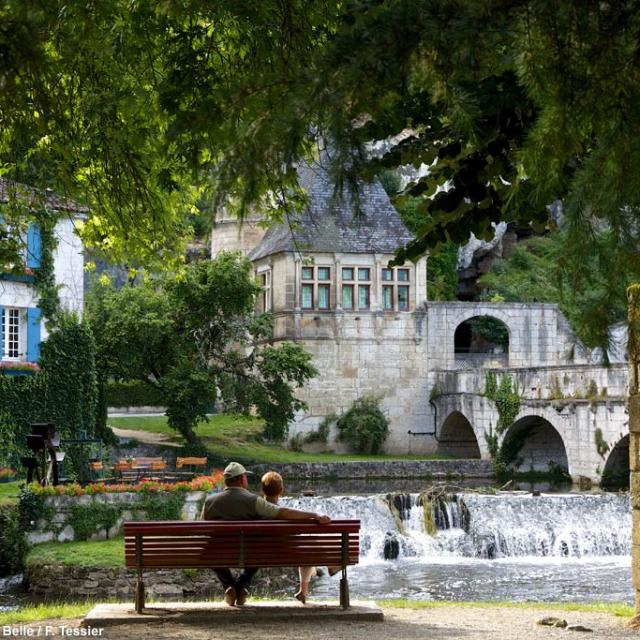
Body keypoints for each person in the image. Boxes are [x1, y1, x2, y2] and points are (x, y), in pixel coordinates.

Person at [201, 461, 331, 607]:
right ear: (241, 479)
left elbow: (204, 529)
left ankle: (230, 587)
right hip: (249, 552)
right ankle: (241, 585)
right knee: (258, 549)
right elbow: (282, 512)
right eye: (245, 477)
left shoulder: (210, 501)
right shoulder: (252, 500)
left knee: (212, 550)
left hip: (217, 553)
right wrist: (314, 515)